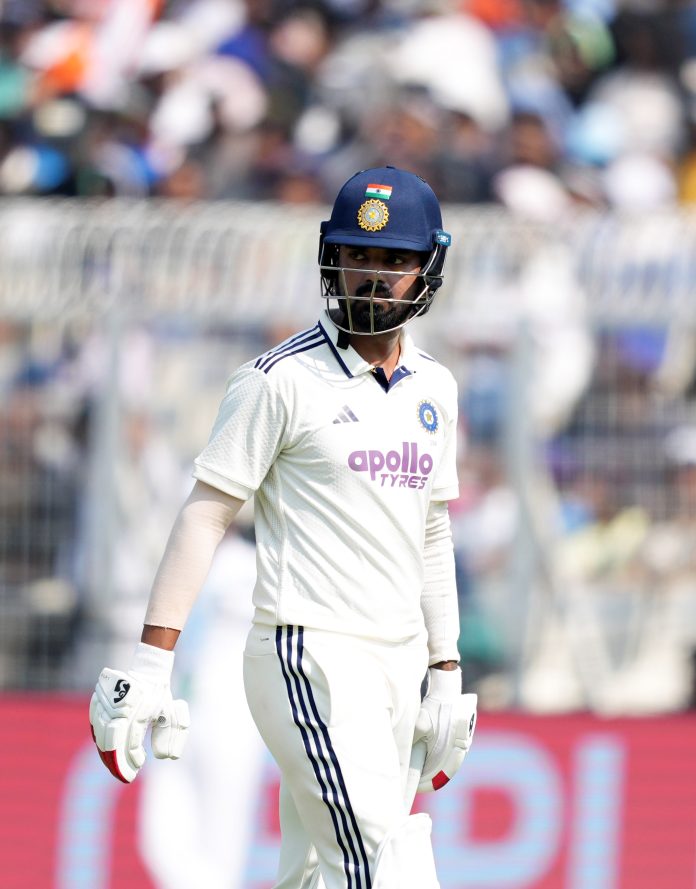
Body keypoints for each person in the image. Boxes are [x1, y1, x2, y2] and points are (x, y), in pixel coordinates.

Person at [89, 165, 478, 889]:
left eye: (394, 259)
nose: (373, 276)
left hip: (398, 661)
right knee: (383, 865)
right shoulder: (278, 379)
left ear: (428, 267)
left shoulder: (436, 387)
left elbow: (431, 532)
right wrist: (149, 664)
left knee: (314, 875)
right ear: (331, 258)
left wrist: (445, 669)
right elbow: (205, 516)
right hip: (309, 652)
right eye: (357, 255)